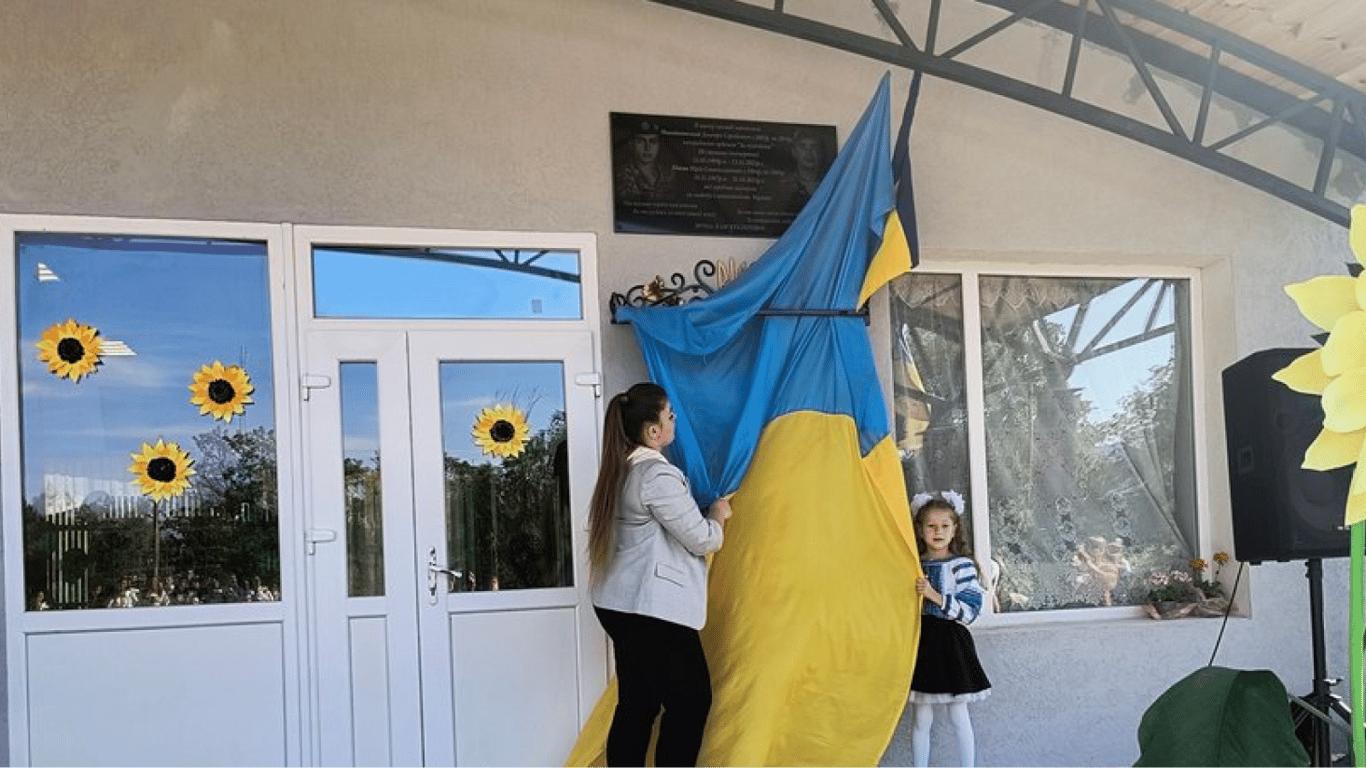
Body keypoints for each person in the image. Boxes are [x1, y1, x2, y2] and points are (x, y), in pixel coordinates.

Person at [588, 381, 732, 768]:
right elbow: (701, 539)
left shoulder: (619, 470)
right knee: (691, 701)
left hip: (619, 605)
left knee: (638, 703)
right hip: (652, 611)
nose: (674, 422)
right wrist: (717, 516)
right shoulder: (656, 475)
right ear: (654, 432)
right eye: (670, 417)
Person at [908, 490, 991, 768]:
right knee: (921, 717)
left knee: (958, 713)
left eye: (945, 526)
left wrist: (934, 595)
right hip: (921, 644)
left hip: (950, 643)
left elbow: (970, 611)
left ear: (955, 529)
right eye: (931, 526)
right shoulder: (913, 565)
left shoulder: (962, 566)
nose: (938, 532)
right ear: (920, 530)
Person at [614, 120, 677, 201]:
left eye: (653, 141)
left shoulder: (669, 175)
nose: (647, 148)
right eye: (640, 141)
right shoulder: (621, 176)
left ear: (659, 145)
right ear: (631, 144)